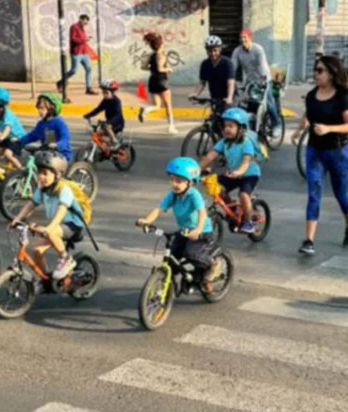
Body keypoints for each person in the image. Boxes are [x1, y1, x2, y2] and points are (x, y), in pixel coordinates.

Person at [290, 54, 348, 256]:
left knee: (340, 193)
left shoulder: (342, 97)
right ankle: (309, 240)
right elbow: (308, 114)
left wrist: (328, 129)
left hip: (337, 151)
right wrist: (298, 130)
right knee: (314, 193)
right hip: (315, 150)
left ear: (331, 73)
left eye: (320, 70)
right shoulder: (311, 95)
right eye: (315, 70)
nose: (315, 74)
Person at [135, 157, 221, 292]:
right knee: (172, 257)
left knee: (191, 253)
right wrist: (147, 221)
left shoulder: (194, 195)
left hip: (201, 231)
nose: (175, 184)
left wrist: (198, 229)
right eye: (173, 179)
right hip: (185, 231)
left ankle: (212, 264)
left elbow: (202, 213)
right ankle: (167, 284)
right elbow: (159, 209)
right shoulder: (172, 195)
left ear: (190, 182)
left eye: (179, 181)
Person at [9, 151, 85, 280]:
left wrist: (48, 229)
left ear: (57, 175)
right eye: (39, 173)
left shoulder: (64, 189)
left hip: (73, 226)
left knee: (52, 232)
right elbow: (31, 204)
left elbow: (61, 211)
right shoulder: (43, 189)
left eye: (45, 173)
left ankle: (66, 259)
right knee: (37, 250)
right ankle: (46, 279)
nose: (41, 177)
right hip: (57, 227)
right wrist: (17, 219)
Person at [198, 107, 261, 234]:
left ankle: (249, 222)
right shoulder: (224, 142)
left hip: (249, 174)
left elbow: (245, 163)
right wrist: (197, 169)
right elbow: (211, 156)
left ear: (241, 129)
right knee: (217, 188)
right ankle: (232, 207)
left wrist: (238, 172)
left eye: (231, 126)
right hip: (233, 175)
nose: (227, 129)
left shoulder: (246, 143)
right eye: (225, 126)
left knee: (243, 195)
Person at [233, 30, 280, 130]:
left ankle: (276, 123)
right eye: (241, 38)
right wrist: (230, 79)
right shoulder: (237, 51)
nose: (242, 40)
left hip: (264, 79)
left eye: (245, 37)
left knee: (266, 102)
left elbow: (262, 66)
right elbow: (233, 66)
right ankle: (253, 125)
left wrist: (263, 82)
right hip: (250, 81)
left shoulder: (258, 49)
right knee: (246, 103)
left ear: (250, 38)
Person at [138, 32, 176, 134]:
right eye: (163, 43)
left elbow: (143, 66)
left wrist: (152, 68)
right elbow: (160, 68)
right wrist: (169, 69)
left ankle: (145, 110)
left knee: (157, 105)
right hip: (161, 81)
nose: (164, 45)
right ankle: (171, 127)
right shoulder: (161, 55)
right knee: (168, 105)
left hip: (153, 81)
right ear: (160, 45)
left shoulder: (152, 55)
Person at [16, 92, 72, 162]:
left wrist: (57, 145)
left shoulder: (58, 122)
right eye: (38, 108)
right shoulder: (41, 124)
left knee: (45, 171)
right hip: (47, 154)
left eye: (42, 108)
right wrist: (19, 141)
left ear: (51, 109)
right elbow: (32, 136)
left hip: (61, 155)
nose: (39, 111)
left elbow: (65, 138)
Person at [192, 35, 235, 113]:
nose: (213, 53)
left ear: (220, 50)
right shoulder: (205, 64)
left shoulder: (227, 63)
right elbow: (202, 82)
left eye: (215, 50)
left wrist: (229, 97)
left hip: (230, 97)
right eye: (210, 51)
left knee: (228, 121)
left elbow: (230, 82)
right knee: (214, 120)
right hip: (215, 98)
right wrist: (195, 94)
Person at [62, 14, 96, 99]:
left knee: (89, 69)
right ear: (80, 19)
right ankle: (61, 81)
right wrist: (84, 39)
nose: (85, 24)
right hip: (76, 53)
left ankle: (89, 88)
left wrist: (86, 38)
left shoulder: (82, 28)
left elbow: (81, 39)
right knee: (73, 71)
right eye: (85, 22)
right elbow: (73, 39)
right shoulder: (74, 27)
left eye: (87, 23)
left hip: (84, 53)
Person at [83, 79, 125, 148]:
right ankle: (106, 148)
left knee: (106, 126)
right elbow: (98, 109)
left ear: (112, 92)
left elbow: (117, 115)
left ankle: (115, 142)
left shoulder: (116, 101)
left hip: (118, 124)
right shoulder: (105, 101)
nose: (104, 95)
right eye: (103, 92)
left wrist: (108, 122)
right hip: (109, 122)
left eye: (106, 93)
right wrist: (88, 115)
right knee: (98, 133)